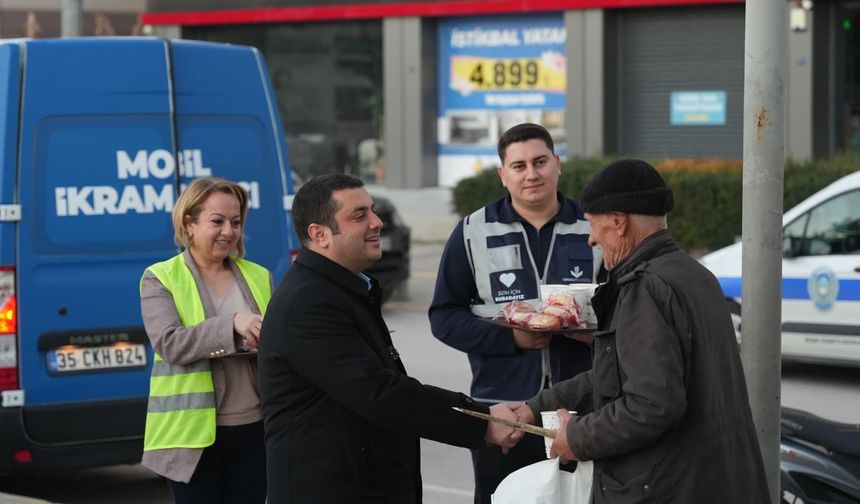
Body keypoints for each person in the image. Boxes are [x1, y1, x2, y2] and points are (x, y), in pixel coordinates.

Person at [503, 159, 769, 502]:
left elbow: (651, 405)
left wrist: (577, 437)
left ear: (618, 221)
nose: (591, 240)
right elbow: (618, 375)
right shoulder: (693, 273)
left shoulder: (645, 288)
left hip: (673, 487)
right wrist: (536, 406)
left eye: (593, 225)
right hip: (718, 481)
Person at [257, 174, 520, 503]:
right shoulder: (309, 303)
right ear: (319, 234)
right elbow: (379, 393)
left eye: (373, 210)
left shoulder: (343, 290)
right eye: (359, 215)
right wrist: (480, 422)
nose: (377, 222)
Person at [429, 122, 599, 503]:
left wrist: (592, 332)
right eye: (519, 166)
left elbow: (624, 312)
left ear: (557, 164)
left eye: (540, 161)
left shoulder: (592, 227)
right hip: (504, 407)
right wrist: (511, 338)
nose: (532, 173)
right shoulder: (473, 231)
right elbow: (443, 317)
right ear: (502, 175)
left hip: (582, 407)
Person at [139, 177, 272, 503]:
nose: (228, 231)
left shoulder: (259, 276)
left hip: (255, 429)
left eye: (236, 222)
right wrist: (233, 325)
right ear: (189, 222)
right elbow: (170, 343)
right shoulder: (160, 278)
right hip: (190, 438)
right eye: (217, 221)